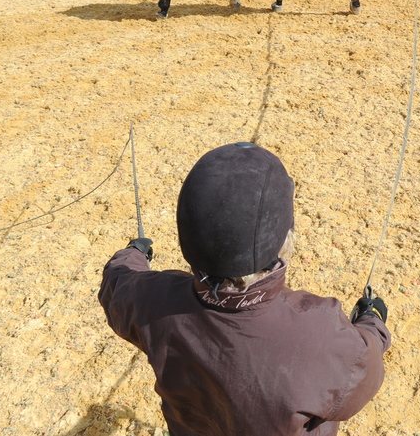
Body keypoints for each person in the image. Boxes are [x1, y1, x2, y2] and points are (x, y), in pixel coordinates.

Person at [99, 142, 391, 436]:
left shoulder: (154, 300)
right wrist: (372, 319)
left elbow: (116, 284)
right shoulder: (320, 330)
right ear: (284, 238)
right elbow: (365, 373)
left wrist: (134, 253)